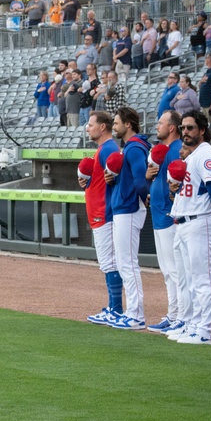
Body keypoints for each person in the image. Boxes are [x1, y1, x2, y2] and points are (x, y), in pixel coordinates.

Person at [167, 110, 211, 345]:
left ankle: (208, 330)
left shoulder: (205, 154)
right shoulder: (191, 156)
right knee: (190, 280)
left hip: (201, 221)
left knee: (202, 279)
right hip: (184, 222)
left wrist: (201, 200)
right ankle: (194, 324)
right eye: (183, 128)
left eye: (190, 128)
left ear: (202, 129)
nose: (186, 132)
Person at [105, 106, 151, 330]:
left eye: (116, 123)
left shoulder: (134, 148)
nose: (114, 126)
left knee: (128, 263)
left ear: (128, 124)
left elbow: (141, 180)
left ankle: (136, 314)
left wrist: (144, 198)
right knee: (125, 263)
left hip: (130, 208)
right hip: (124, 207)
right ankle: (133, 313)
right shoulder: (130, 147)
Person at [82, 110, 125, 326]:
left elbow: (116, 179)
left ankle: (116, 309)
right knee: (107, 263)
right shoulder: (103, 149)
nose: (87, 128)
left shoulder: (109, 148)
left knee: (110, 263)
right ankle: (113, 307)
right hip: (99, 211)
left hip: (104, 212)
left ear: (102, 127)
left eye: (90, 124)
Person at [145, 110, 185, 334]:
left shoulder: (176, 149)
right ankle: (173, 315)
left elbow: (180, 183)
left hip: (170, 217)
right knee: (167, 270)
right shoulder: (163, 151)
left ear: (171, 127)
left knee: (174, 271)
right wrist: (149, 178)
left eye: (161, 123)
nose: (156, 126)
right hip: (159, 215)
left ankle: (179, 316)